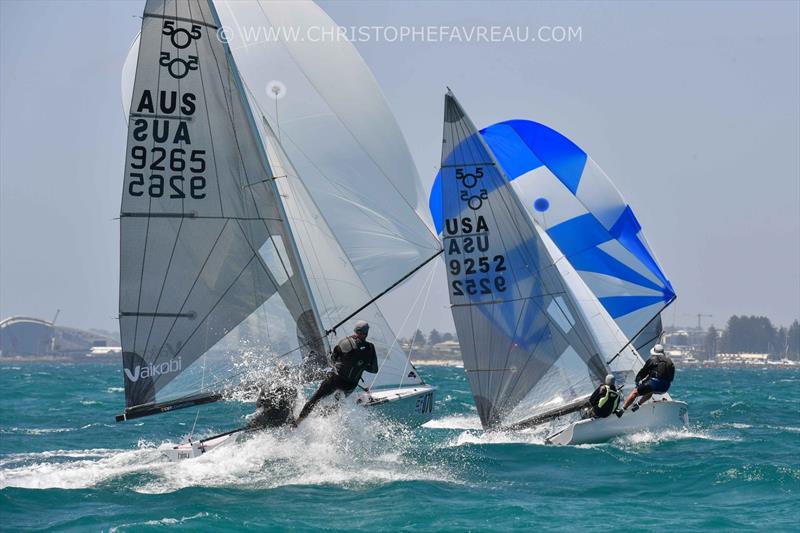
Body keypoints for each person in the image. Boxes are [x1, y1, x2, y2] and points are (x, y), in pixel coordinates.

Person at [295, 320, 378, 424]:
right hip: (350, 386)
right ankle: (325, 421)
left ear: (355, 330)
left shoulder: (345, 342)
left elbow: (332, 360)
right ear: (367, 333)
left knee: (315, 399)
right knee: (336, 404)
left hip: (336, 380)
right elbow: (374, 369)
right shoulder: (371, 348)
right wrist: (359, 365)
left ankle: (298, 422)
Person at [622, 343, 675, 412]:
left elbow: (643, 372)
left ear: (654, 352)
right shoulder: (670, 361)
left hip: (654, 384)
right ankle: (638, 404)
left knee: (635, 392)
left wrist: (637, 381)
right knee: (650, 391)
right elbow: (671, 378)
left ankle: (622, 409)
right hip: (665, 387)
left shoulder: (652, 359)